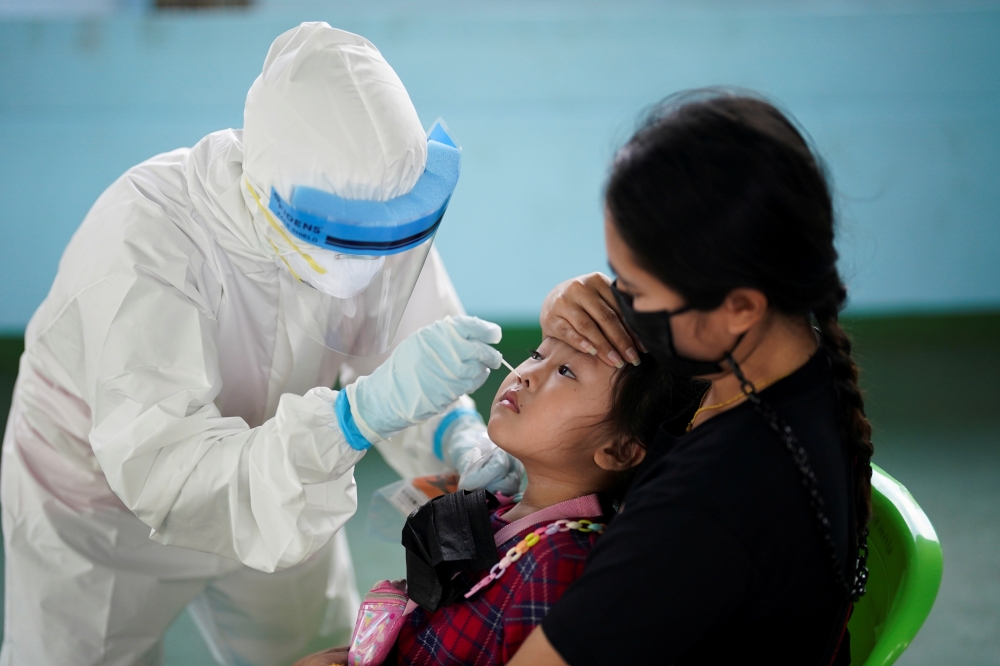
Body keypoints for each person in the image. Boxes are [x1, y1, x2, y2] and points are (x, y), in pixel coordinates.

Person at [0, 23, 519, 666]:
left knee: (310, 650)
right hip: (101, 515)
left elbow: (402, 354)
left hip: (284, 474)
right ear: (269, 190)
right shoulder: (145, 245)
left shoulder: (380, 208)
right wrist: (353, 419)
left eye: (382, 238)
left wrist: (455, 435)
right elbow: (168, 470)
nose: (365, 267)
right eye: (342, 239)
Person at [507, 91, 874, 664]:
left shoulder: (708, 505)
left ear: (740, 306)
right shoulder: (775, 365)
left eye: (635, 289)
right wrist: (563, 300)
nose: (616, 299)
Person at [295, 335, 689, 666]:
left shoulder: (562, 563)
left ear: (619, 451)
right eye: (538, 354)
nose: (525, 374)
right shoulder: (502, 511)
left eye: (566, 372)